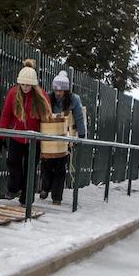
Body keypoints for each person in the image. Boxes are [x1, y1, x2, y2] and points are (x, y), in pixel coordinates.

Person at [0, 59, 52, 205]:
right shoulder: (13, 94)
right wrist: (2, 136)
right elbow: (6, 115)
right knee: (12, 162)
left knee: (30, 168)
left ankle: (26, 198)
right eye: (22, 84)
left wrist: (46, 141)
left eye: (28, 85)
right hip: (17, 136)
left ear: (34, 85)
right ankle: (14, 187)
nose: (25, 87)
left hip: (34, 139)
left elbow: (47, 119)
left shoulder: (42, 97)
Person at [40, 71, 86, 205]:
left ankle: (57, 197)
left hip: (65, 137)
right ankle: (45, 187)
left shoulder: (74, 100)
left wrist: (80, 135)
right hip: (50, 136)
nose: (58, 93)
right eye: (56, 90)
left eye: (61, 91)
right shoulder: (49, 98)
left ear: (66, 90)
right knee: (46, 164)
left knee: (60, 168)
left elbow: (78, 117)